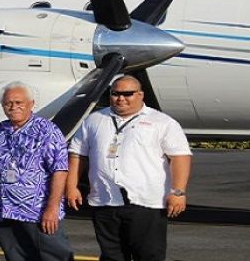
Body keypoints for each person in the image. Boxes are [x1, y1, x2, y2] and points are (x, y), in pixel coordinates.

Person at [66, 75, 192, 261]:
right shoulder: (94, 120)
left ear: (140, 95)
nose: (121, 98)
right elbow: (77, 154)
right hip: (105, 201)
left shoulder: (162, 122)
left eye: (127, 94)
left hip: (146, 203)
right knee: (111, 256)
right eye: (115, 93)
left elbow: (180, 157)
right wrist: (71, 186)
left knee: (148, 255)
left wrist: (178, 192)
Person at [0, 81, 73, 261]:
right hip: (4, 210)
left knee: (54, 257)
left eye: (19, 102)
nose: (13, 107)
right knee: (16, 257)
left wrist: (52, 208)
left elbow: (60, 170)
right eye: (8, 103)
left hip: (36, 212)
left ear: (31, 104)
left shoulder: (47, 131)